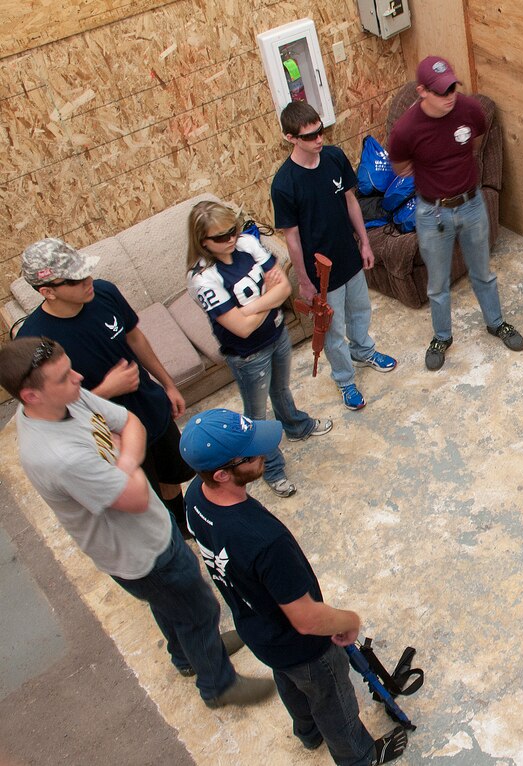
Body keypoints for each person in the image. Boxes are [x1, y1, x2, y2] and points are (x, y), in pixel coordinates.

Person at [0, 337, 275, 708]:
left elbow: (130, 422)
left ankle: (187, 655)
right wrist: (128, 459)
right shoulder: (56, 455)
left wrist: (119, 462)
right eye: (65, 377)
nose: (79, 378)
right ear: (30, 396)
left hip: (147, 530)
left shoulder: (65, 397)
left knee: (169, 604)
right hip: (139, 550)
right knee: (199, 608)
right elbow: (136, 497)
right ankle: (218, 685)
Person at [179, 409, 408, 765]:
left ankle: (307, 732)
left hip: (259, 629)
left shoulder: (196, 495)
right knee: (334, 702)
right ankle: (360, 757)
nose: (264, 453)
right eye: (252, 454)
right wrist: (349, 620)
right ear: (223, 474)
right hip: (303, 645)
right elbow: (306, 620)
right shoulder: (263, 540)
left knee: (291, 682)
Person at [18, 238, 194, 535]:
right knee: (143, 490)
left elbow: (135, 338)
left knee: (170, 473)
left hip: (149, 406)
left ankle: (181, 522)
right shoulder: (34, 342)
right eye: (76, 279)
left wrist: (168, 385)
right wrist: (106, 391)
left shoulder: (104, 292)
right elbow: (51, 412)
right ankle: (165, 535)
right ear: (47, 292)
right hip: (108, 432)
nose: (88, 281)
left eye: (86, 272)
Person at [186, 201, 333, 498]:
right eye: (220, 237)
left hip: (277, 335)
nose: (230, 239)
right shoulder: (202, 278)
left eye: (232, 230)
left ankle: (296, 426)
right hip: (247, 355)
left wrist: (253, 306)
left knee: (281, 391)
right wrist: (270, 296)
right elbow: (240, 328)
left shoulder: (248, 242)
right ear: (203, 242)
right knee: (256, 417)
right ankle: (272, 468)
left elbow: (284, 290)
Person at [387, 55, 523, 371]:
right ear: (422, 91)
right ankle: (442, 337)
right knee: (438, 282)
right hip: (432, 213)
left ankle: (496, 322)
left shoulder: (469, 110)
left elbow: (475, 144)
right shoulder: (406, 130)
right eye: (441, 91)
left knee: (483, 272)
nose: (449, 96)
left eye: (452, 88)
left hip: (472, 205)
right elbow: (400, 166)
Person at [271, 101, 397, 411]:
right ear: (290, 138)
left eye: (321, 131)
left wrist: (365, 244)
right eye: (310, 136)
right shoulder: (284, 184)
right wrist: (304, 280)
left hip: (349, 256)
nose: (319, 139)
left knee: (360, 311)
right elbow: (292, 236)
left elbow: (352, 203)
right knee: (331, 330)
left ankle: (364, 351)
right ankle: (345, 379)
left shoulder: (334, 157)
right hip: (320, 273)